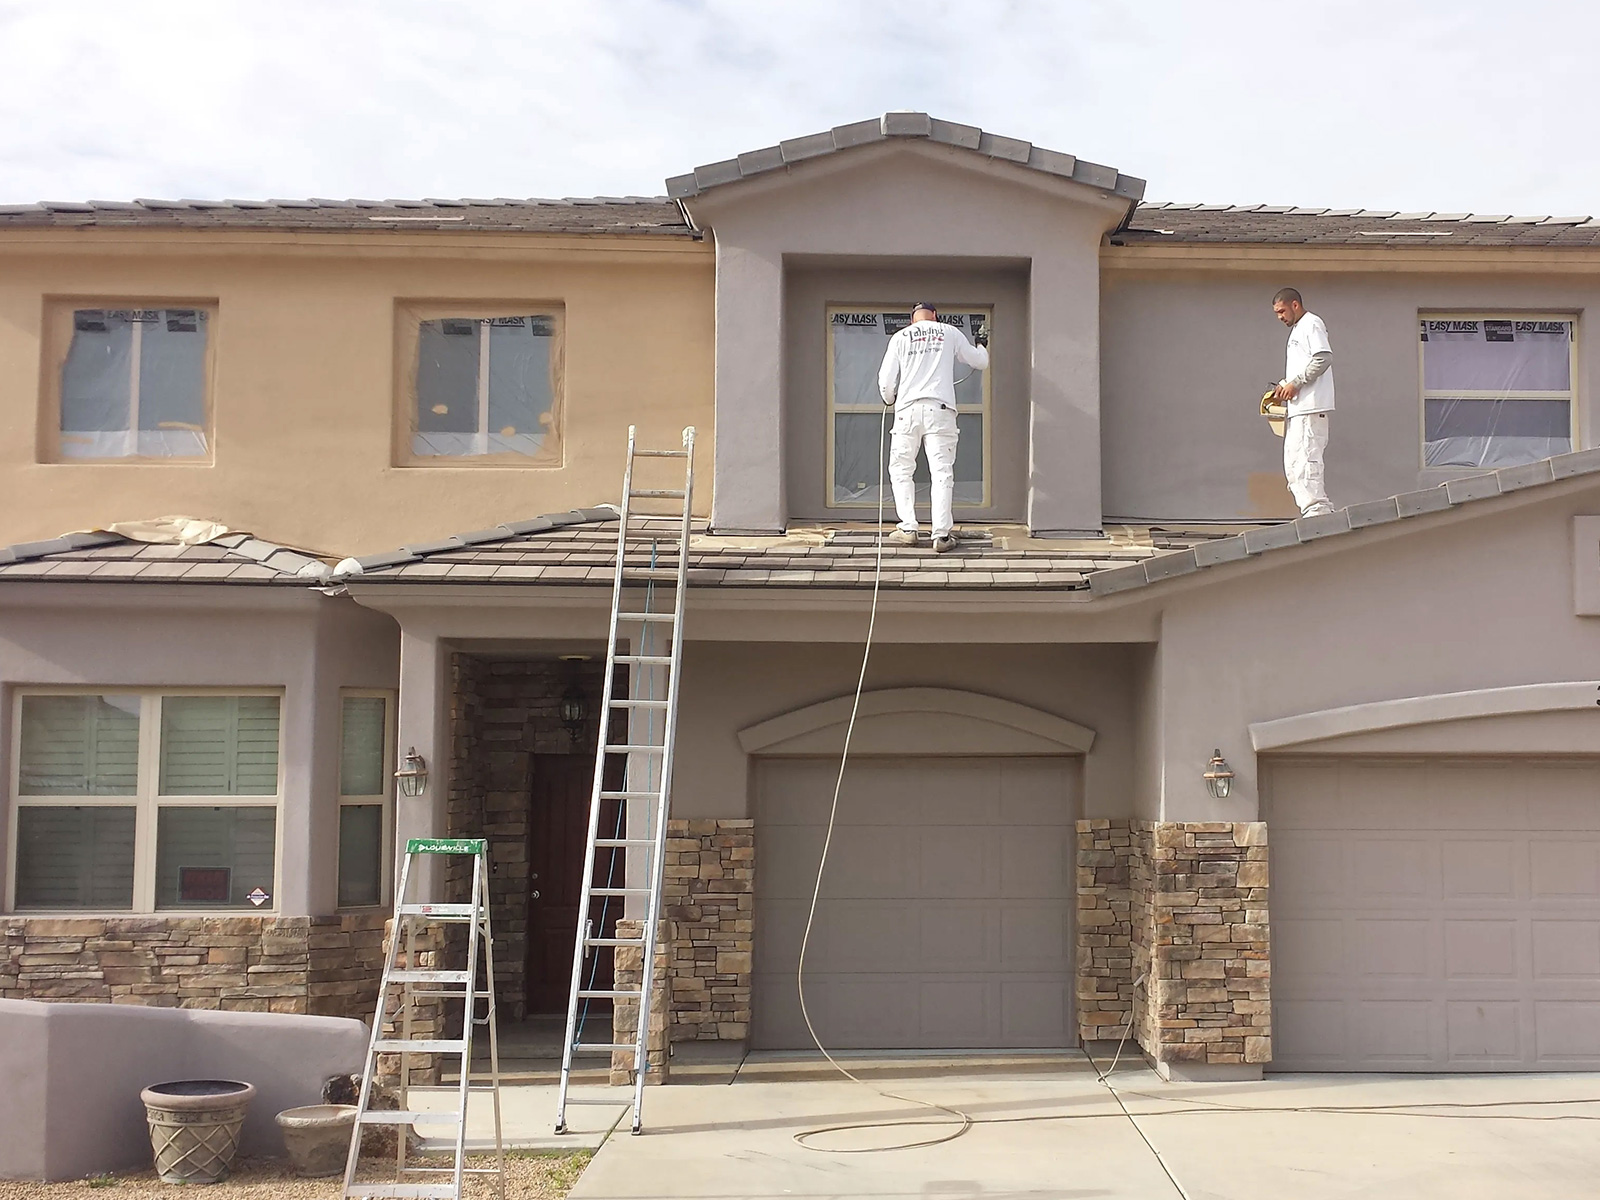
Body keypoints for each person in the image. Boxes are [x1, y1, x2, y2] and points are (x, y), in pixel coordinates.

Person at [876, 302, 989, 552]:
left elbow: (885, 381)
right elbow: (979, 362)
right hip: (940, 410)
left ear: (911, 319)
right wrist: (982, 343)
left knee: (901, 469)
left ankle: (908, 528)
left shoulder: (900, 337)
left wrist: (890, 399)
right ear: (935, 315)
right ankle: (941, 535)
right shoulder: (949, 332)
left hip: (908, 411)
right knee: (941, 472)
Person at [1271, 288, 1336, 517]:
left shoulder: (1311, 323)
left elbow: (1323, 357)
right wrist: (1285, 385)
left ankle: (1317, 510)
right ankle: (1314, 509)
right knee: (1294, 462)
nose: (1280, 316)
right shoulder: (1299, 329)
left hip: (1311, 406)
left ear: (1295, 304)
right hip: (1300, 408)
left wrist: (1295, 384)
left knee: (1306, 459)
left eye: (1282, 311)